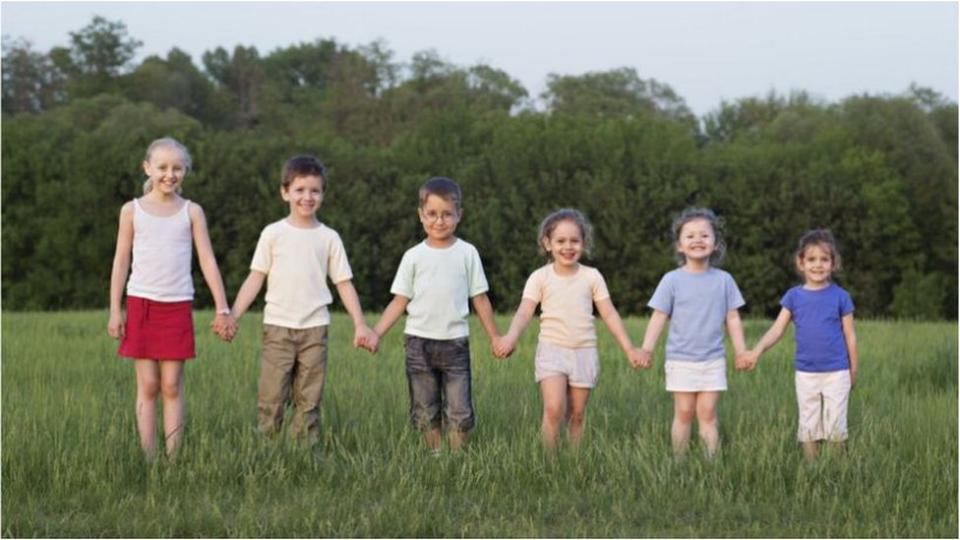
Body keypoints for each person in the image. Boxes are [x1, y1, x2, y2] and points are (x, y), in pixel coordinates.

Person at [225, 155, 376, 442]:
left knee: (310, 397)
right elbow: (255, 278)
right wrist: (233, 315)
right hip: (278, 328)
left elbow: (344, 283)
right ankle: (266, 447)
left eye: (315, 191)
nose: (307, 197)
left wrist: (360, 324)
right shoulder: (273, 233)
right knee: (272, 395)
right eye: (300, 190)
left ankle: (304, 452)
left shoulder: (329, 237)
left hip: (314, 329)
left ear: (323, 195)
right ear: (285, 192)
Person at [108, 137, 236, 460]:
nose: (170, 174)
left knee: (171, 385)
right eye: (162, 167)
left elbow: (207, 261)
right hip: (141, 305)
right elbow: (121, 261)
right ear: (147, 168)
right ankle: (149, 459)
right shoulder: (132, 211)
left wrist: (223, 308)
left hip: (177, 306)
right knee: (148, 384)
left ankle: (173, 460)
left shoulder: (192, 212)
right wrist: (115, 310)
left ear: (186, 171)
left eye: (177, 168)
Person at [365, 177, 500, 454]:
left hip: (455, 343)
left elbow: (480, 299)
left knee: (459, 409)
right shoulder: (413, 256)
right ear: (421, 215)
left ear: (459, 215)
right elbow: (399, 301)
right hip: (418, 343)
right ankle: (436, 455)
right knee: (425, 408)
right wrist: (376, 332)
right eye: (432, 214)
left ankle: (457, 457)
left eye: (447, 214)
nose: (440, 221)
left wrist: (495, 337)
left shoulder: (467, 253)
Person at [493, 209, 647, 452]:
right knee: (554, 409)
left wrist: (629, 348)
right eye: (560, 241)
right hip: (552, 350)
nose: (568, 246)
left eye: (574, 241)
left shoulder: (591, 276)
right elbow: (524, 311)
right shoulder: (540, 277)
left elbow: (608, 313)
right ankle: (549, 465)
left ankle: (574, 463)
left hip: (584, 353)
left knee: (576, 414)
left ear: (584, 243)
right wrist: (510, 337)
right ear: (547, 244)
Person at [737, 229, 859, 461]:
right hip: (806, 372)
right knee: (809, 422)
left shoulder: (841, 297)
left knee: (835, 424)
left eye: (825, 259)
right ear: (800, 263)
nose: (818, 265)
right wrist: (757, 351)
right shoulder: (793, 297)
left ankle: (836, 471)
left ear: (834, 264)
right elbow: (777, 330)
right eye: (811, 259)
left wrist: (853, 370)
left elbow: (850, 336)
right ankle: (812, 469)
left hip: (837, 371)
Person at [637, 207, 747, 458]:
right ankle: (679, 460)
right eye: (690, 236)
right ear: (679, 245)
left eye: (705, 235)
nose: (698, 240)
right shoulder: (671, 280)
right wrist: (646, 349)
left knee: (707, 412)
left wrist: (741, 352)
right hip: (680, 359)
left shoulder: (724, 280)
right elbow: (659, 317)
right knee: (684, 411)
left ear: (716, 243)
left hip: (713, 359)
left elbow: (732, 318)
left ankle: (711, 463)